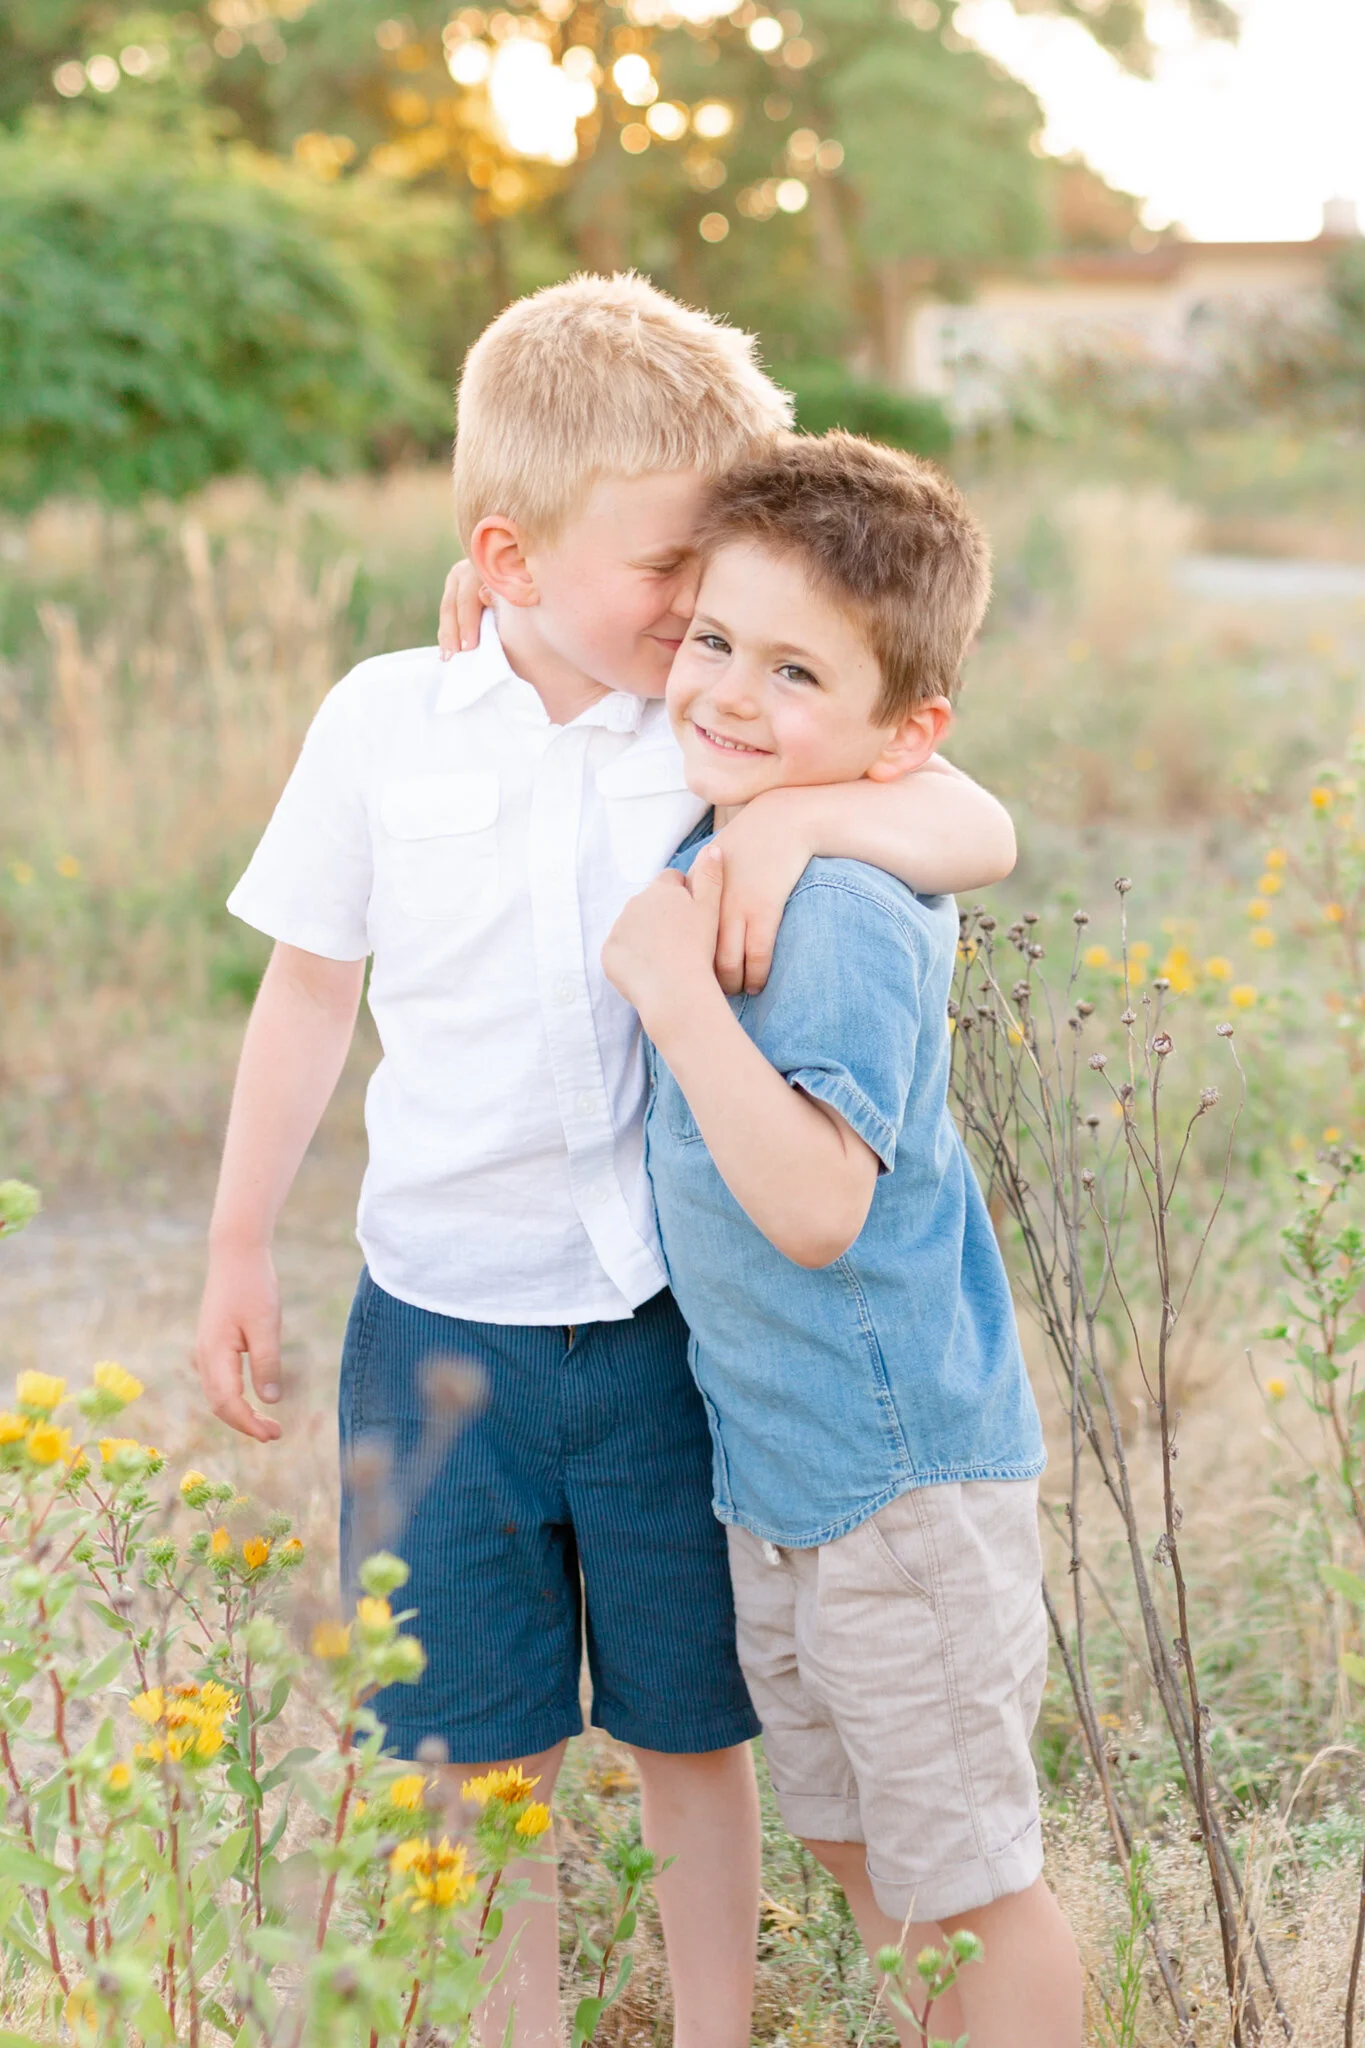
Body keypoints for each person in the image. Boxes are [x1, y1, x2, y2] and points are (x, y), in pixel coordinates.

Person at [192, 274, 1018, 2047]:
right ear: (506, 559)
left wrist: (801, 819)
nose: (704, 607)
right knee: (472, 1753)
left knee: (690, 1731)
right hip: (433, 1324)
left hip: (655, 1329)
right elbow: (309, 989)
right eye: (670, 569)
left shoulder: (706, 728)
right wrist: (238, 1243)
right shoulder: (383, 723)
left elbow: (978, 820)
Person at [604, 431, 1083, 2048]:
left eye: (796, 671)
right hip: (791, 1477)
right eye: (714, 640)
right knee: (858, 1842)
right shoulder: (744, 824)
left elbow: (817, 1209)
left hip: (899, 1485)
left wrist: (676, 1002)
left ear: (901, 736)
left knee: (969, 1880)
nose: (731, 693)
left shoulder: (846, 907)